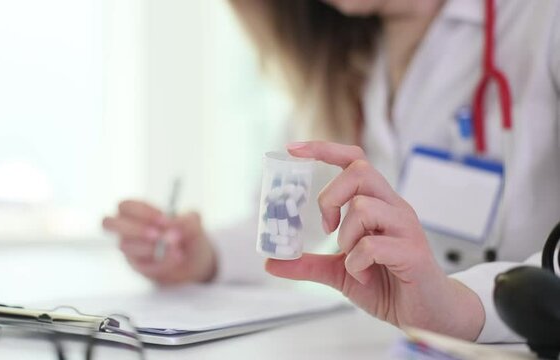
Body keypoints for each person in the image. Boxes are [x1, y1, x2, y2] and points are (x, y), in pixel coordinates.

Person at [103, 0, 560, 343]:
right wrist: (201, 256)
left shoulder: (542, 20)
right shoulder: (345, 49)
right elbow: (288, 223)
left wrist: (467, 307)